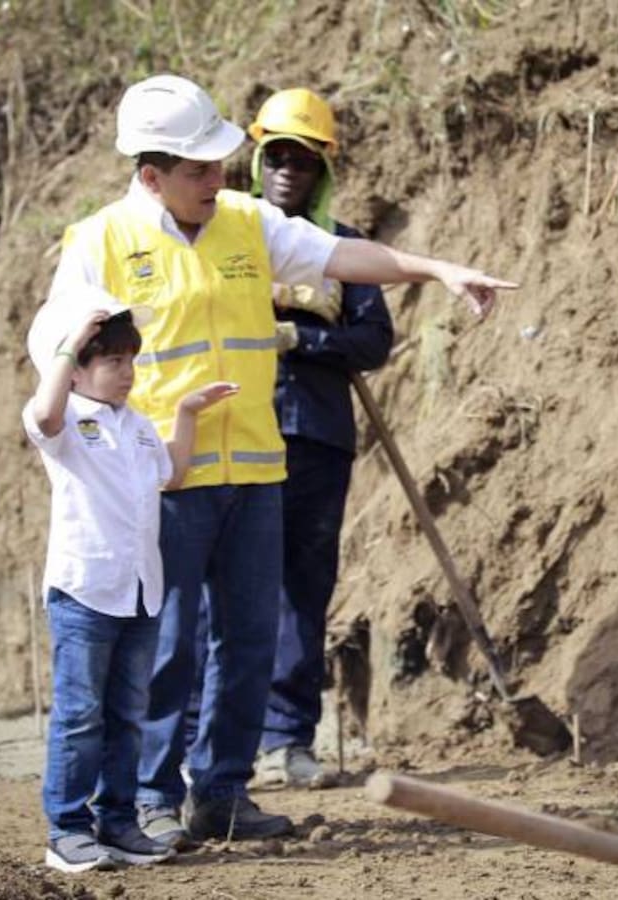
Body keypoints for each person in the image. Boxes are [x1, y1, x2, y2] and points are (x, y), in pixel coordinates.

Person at [42, 74, 515, 847]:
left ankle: (222, 794)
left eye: (220, 164)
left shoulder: (245, 221)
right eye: (199, 169)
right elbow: (58, 350)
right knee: (168, 647)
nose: (219, 179)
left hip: (258, 469)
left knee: (249, 640)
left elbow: (340, 255)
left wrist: (436, 269)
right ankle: (153, 797)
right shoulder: (101, 241)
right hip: (166, 477)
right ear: (151, 176)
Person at [23, 295, 236, 871]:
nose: (127, 372)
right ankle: (67, 830)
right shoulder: (63, 417)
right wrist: (71, 343)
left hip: (140, 591)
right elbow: (44, 417)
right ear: (75, 368)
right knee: (80, 715)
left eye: (130, 360)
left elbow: (174, 474)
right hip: (85, 591)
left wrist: (187, 413)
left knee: (126, 715)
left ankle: (118, 823)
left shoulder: (137, 425)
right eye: (113, 361)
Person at [250, 88, 393, 787]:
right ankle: (211, 746)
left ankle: (286, 740)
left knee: (302, 590)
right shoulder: (224, 236)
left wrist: (303, 338)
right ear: (258, 160)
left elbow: (373, 340)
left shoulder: (345, 246)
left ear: (322, 169)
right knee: (223, 590)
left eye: (302, 160)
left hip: (314, 437)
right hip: (233, 430)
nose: (287, 170)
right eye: (277, 156)